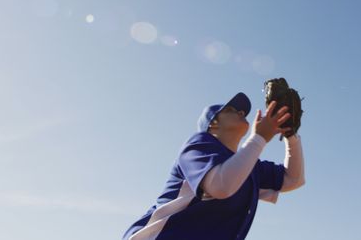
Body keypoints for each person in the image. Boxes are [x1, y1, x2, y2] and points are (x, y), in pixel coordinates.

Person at [123, 92, 306, 240]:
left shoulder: (247, 165)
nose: (242, 112)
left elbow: (293, 179)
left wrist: (291, 135)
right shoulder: (199, 144)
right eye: (232, 109)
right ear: (213, 124)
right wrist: (259, 138)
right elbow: (220, 186)